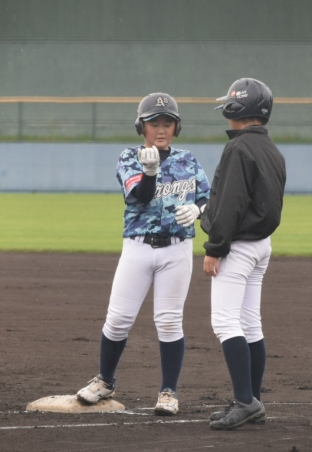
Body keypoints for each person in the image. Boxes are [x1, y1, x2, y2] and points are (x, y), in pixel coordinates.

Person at [75, 93, 210, 416]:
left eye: (167, 123)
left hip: (177, 249)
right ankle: (105, 381)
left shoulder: (188, 160)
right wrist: (149, 172)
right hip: (138, 247)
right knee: (118, 319)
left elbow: (209, 197)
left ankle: (168, 392)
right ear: (142, 127)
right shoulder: (129, 158)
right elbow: (140, 197)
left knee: (169, 321)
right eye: (154, 123)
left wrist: (198, 209)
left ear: (176, 127)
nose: (161, 129)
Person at [200, 78, 286, 430]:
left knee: (224, 322)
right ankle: (252, 399)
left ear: (239, 107)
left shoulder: (238, 148)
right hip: (262, 245)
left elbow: (231, 203)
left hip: (237, 246)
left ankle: (245, 402)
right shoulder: (272, 149)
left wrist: (215, 247)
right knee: (250, 322)